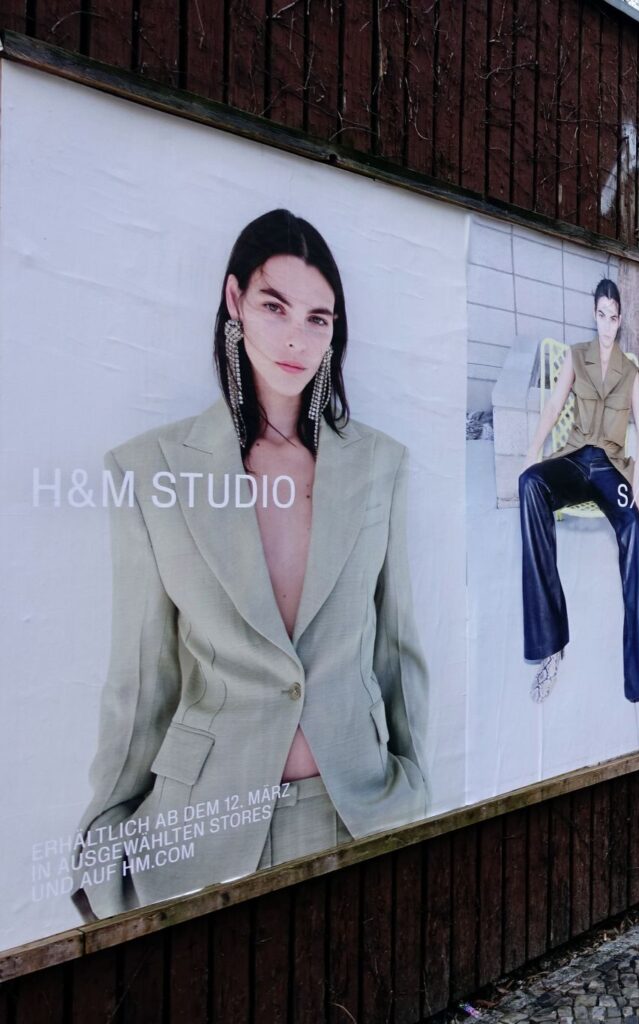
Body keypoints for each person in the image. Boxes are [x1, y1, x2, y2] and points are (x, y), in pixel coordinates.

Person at [74, 210, 430, 921]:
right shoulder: (151, 470)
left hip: (355, 814)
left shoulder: (378, 466)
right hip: (200, 833)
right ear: (234, 302)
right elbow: (140, 680)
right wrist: (101, 851)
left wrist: (415, 793)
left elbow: (396, 648)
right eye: (274, 306)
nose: (297, 336)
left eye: (318, 317)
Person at [520, 278, 639, 704]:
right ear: (594, 313)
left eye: (614, 317)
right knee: (531, 485)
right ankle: (551, 643)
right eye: (601, 315)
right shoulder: (576, 356)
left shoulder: (629, 369)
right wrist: (532, 452)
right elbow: (554, 407)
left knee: (633, 525)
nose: (607, 324)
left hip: (610, 469)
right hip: (576, 459)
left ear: (620, 320)